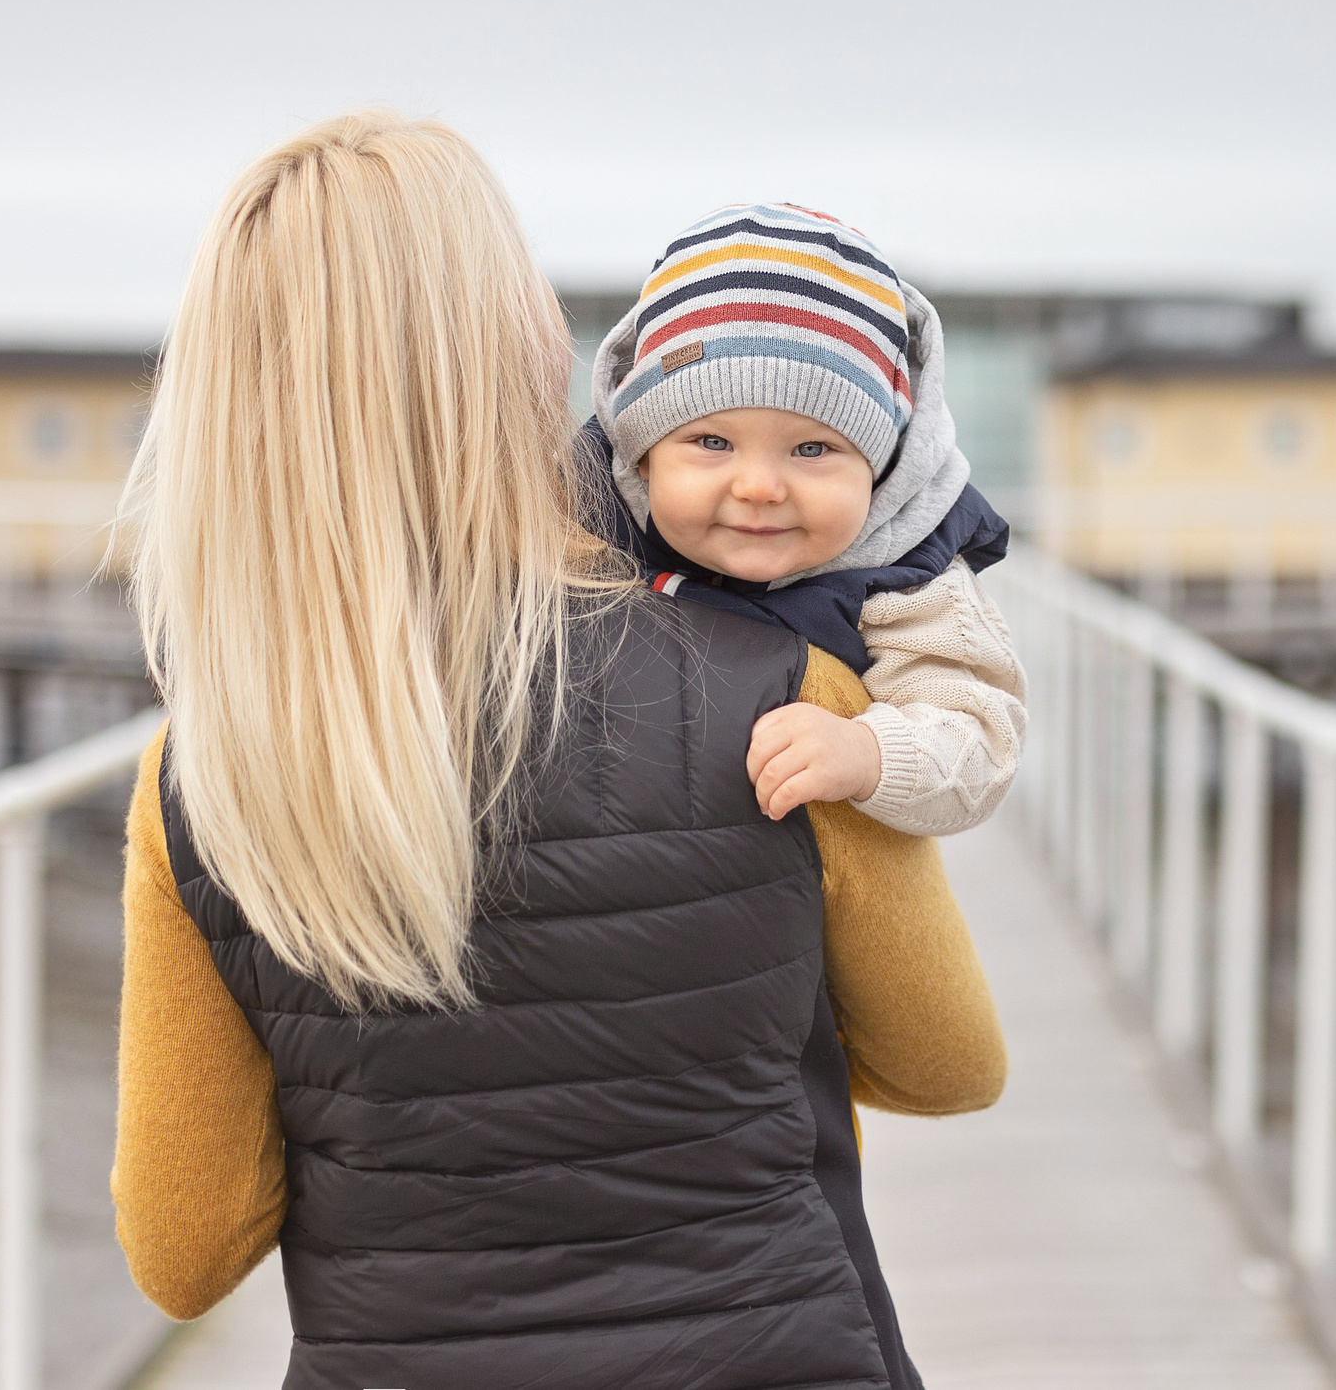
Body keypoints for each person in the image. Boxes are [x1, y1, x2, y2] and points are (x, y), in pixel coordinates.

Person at [106, 111, 1006, 1390]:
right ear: (510, 348)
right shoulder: (786, 695)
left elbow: (185, 1250)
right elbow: (946, 1062)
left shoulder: (208, 787)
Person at [582, 203, 1026, 840]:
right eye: (712, 442)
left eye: (812, 450)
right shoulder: (577, 533)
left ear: (879, 469)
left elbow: (981, 742)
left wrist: (866, 754)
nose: (759, 487)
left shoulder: (905, 581)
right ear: (643, 455)